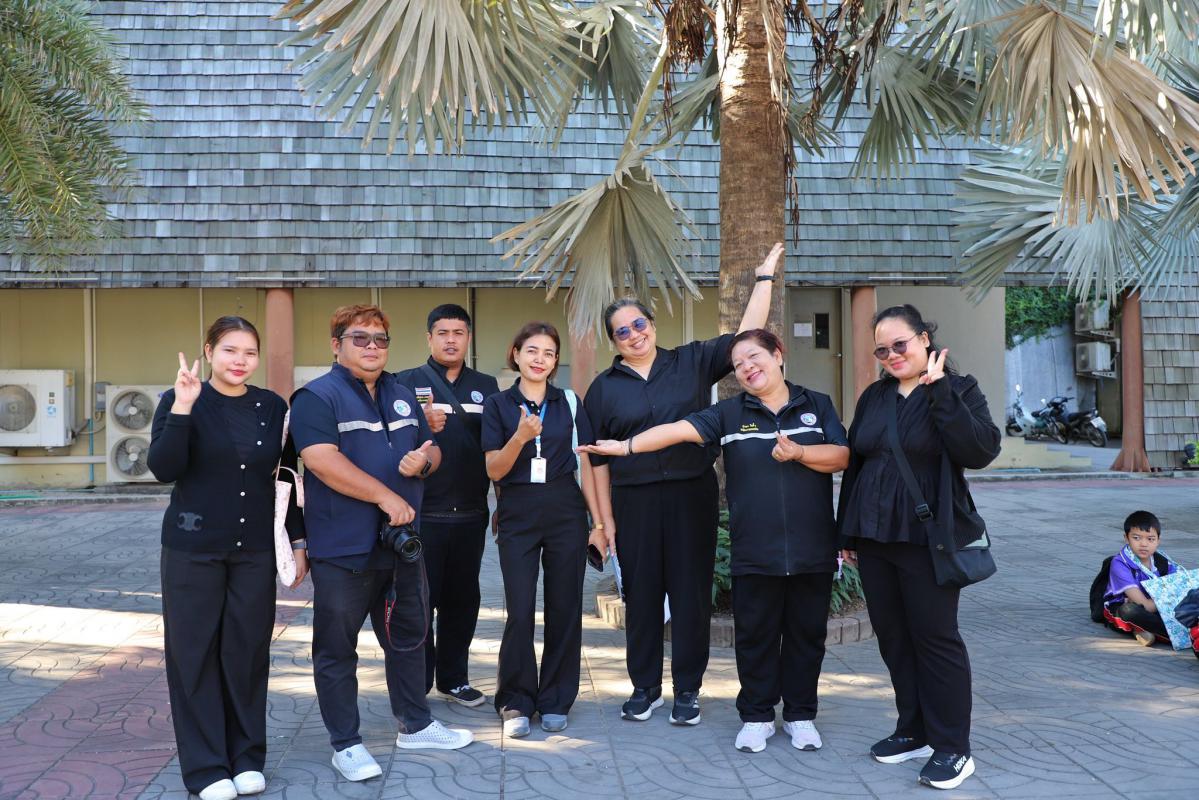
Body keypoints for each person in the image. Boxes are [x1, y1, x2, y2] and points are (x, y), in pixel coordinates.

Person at [580, 329, 849, 754]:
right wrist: (627, 447)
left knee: (806, 636)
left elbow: (841, 455)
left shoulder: (816, 404)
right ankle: (757, 717)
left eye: (754, 357)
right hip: (754, 548)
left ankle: (800, 716)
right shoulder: (729, 413)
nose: (747, 368)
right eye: (738, 364)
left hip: (810, 546)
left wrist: (800, 453)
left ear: (778, 355)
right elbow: (675, 430)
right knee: (755, 637)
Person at [583, 242, 785, 725]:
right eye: (622, 331)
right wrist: (603, 523)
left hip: (691, 495)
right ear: (613, 341)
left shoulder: (692, 361)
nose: (634, 335)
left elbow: (746, 336)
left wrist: (763, 279)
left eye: (639, 324)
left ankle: (688, 690)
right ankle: (645, 688)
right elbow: (596, 462)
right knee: (642, 596)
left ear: (652, 324)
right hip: (633, 502)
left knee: (691, 594)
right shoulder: (603, 389)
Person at [289, 304, 473, 784]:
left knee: (408, 639)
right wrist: (385, 495)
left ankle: (415, 724)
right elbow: (322, 461)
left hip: (402, 544)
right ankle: (346, 744)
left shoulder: (401, 392)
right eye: (360, 338)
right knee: (337, 649)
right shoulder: (316, 397)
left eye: (380, 340)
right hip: (344, 547)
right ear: (337, 344)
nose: (372, 347)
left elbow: (431, 447)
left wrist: (424, 462)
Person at [837, 304, 1001, 791]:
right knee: (893, 638)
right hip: (874, 536)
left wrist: (941, 391)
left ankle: (953, 746)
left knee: (935, 639)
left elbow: (979, 451)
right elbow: (857, 464)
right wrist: (846, 535)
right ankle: (914, 730)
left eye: (900, 344)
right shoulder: (875, 396)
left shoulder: (959, 389)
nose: (891, 355)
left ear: (925, 339)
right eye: (881, 350)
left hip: (928, 538)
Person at [148, 316, 307, 800]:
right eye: (229, 350)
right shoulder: (179, 399)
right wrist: (183, 406)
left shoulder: (272, 406)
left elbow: (286, 478)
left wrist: (299, 543)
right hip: (192, 550)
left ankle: (246, 759)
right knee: (193, 656)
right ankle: (206, 768)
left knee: (247, 653)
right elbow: (163, 467)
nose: (240, 361)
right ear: (209, 351)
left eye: (249, 352)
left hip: (254, 551)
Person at [481, 322, 606, 738]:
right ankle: (516, 700)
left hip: (565, 510)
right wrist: (520, 437)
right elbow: (493, 469)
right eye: (532, 350)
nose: (540, 359)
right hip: (517, 511)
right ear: (515, 354)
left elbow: (586, 464)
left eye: (549, 353)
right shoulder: (498, 405)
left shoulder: (568, 401)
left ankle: (556, 698)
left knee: (565, 607)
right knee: (519, 610)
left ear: (555, 362)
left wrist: (598, 524)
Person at [393, 304, 500, 705]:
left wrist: (502, 503)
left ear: (468, 338)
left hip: (472, 512)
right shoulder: (404, 383)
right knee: (420, 600)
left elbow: (497, 446)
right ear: (429, 338)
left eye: (458, 332)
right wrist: (423, 424)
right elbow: (392, 444)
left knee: (463, 600)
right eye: (442, 332)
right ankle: (418, 682)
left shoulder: (486, 386)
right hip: (424, 514)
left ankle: (454, 678)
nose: (451, 340)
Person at [1104, 510, 1180, 646]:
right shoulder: (1120, 563)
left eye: (1150, 539)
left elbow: (1181, 588)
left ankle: (1144, 630)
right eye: (1137, 538)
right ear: (1126, 538)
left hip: (1156, 604)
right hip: (1128, 606)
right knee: (1129, 611)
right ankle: (1179, 633)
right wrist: (1169, 599)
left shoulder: (1163, 561)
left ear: (1158, 541)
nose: (1144, 544)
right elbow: (1145, 605)